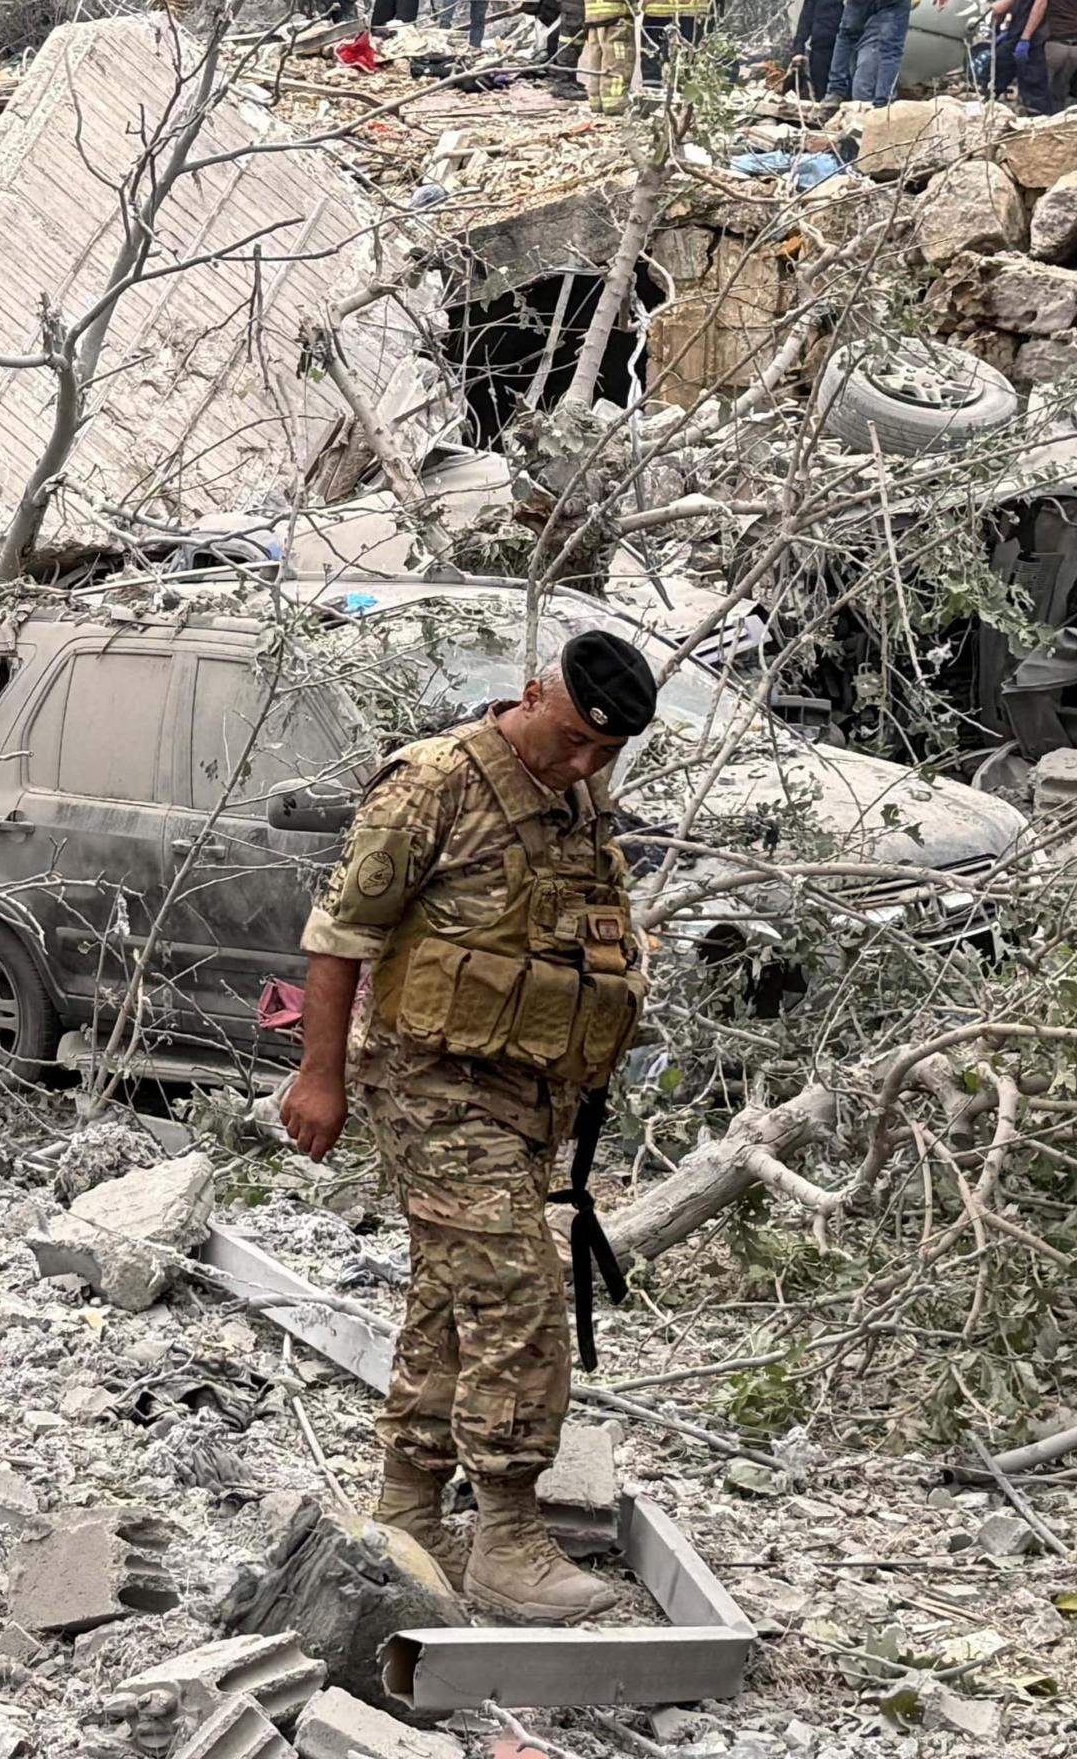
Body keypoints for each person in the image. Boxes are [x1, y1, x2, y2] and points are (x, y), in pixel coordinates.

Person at [282, 631, 664, 1627]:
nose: (584, 764)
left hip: (527, 1098)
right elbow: (339, 939)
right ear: (532, 692)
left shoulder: (580, 798)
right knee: (518, 1292)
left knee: (453, 1290)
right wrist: (319, 1077)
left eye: (604, 752)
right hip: (432, 1083)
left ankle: (407, 1513)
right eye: (574, 738)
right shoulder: (436, 784)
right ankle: (506, 1536)